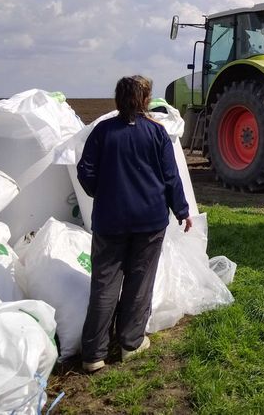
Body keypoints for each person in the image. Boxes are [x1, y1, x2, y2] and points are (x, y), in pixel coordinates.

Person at [76, 75, 192, 373]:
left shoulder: (103, 131)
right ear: (145, 99)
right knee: (140, 282)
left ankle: (93, 355)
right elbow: (171, 177)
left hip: (109, 220)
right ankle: (130, 343)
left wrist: (100, 193)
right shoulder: (156, 132)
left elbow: (85, 171)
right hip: (149, 222)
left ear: (118, 98)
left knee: (104, 284)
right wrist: (182, 211)